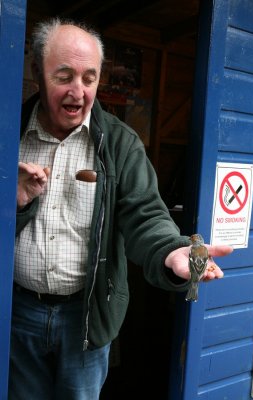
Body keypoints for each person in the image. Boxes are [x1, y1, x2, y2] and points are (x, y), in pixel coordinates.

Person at [8, 17, 233, 400]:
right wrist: (12, 204)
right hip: (17, 313)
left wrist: (169, 249)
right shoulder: (7, 133)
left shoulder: (120, 144)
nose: (78, 91)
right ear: (37, 73)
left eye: (89, 78)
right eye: (64, 76)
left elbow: (145, 214)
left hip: (87, 316)